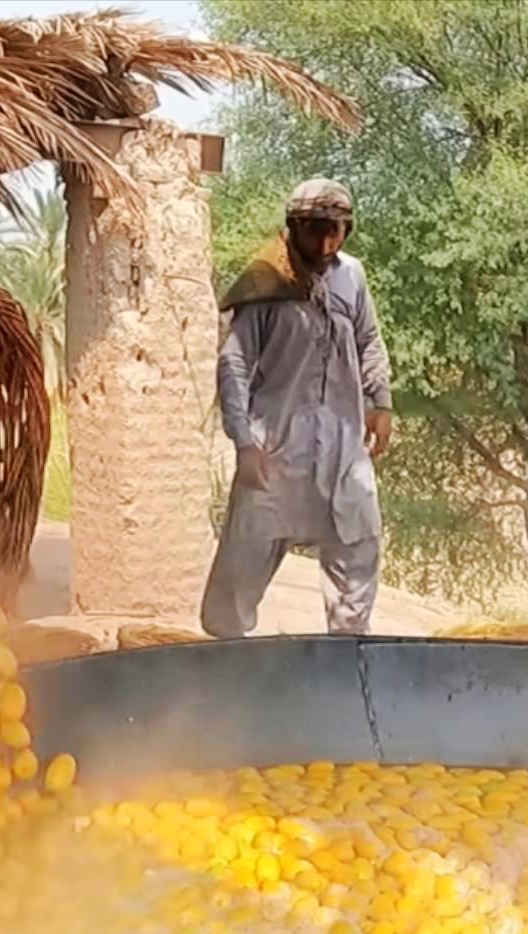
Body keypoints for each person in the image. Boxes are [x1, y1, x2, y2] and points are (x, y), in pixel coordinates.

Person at [200, 177, 394, 639]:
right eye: (315, 230)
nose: (326, 242)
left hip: (343, 448)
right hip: (277, 449)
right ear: (293, 227)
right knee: (245, 562)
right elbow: (235, 365)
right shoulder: (264, 281)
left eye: (336, 230)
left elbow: (368, 340)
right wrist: (244, 442)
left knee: (358, 546)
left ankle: (346, 662)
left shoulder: (353, 276)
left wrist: (379, 401)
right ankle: (223, 662)